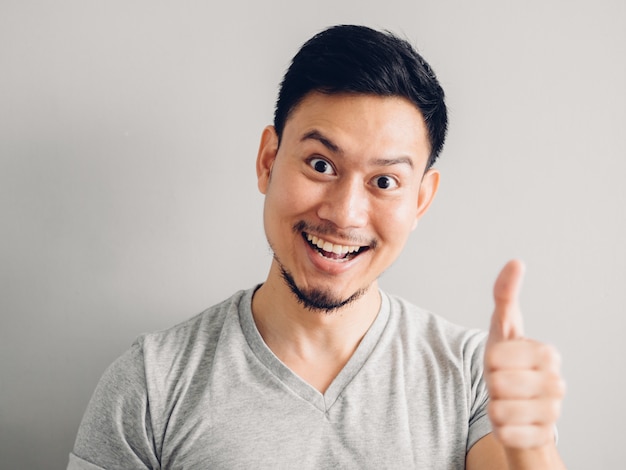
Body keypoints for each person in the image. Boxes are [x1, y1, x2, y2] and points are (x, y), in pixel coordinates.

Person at [68, 25, 565, 469]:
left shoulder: (475, 377)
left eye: (385, 181)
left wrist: (531, 450)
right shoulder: (152, 383)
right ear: (268, 160)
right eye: (321, 165)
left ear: (421, 200)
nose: (345, 213)